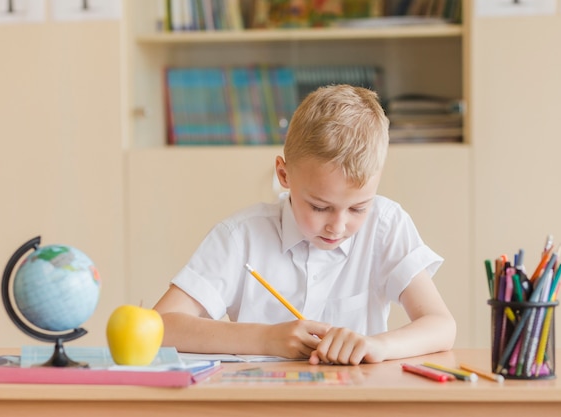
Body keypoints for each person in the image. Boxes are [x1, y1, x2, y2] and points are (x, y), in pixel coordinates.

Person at [153, 84, 456, 365]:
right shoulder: (240, 237)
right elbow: (160, 326)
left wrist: (376, 346)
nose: (337, 226)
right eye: (320, 207)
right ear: (284, 176)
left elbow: (441, 326)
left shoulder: (386, 225)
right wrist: (266, 338)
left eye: (358, 207)